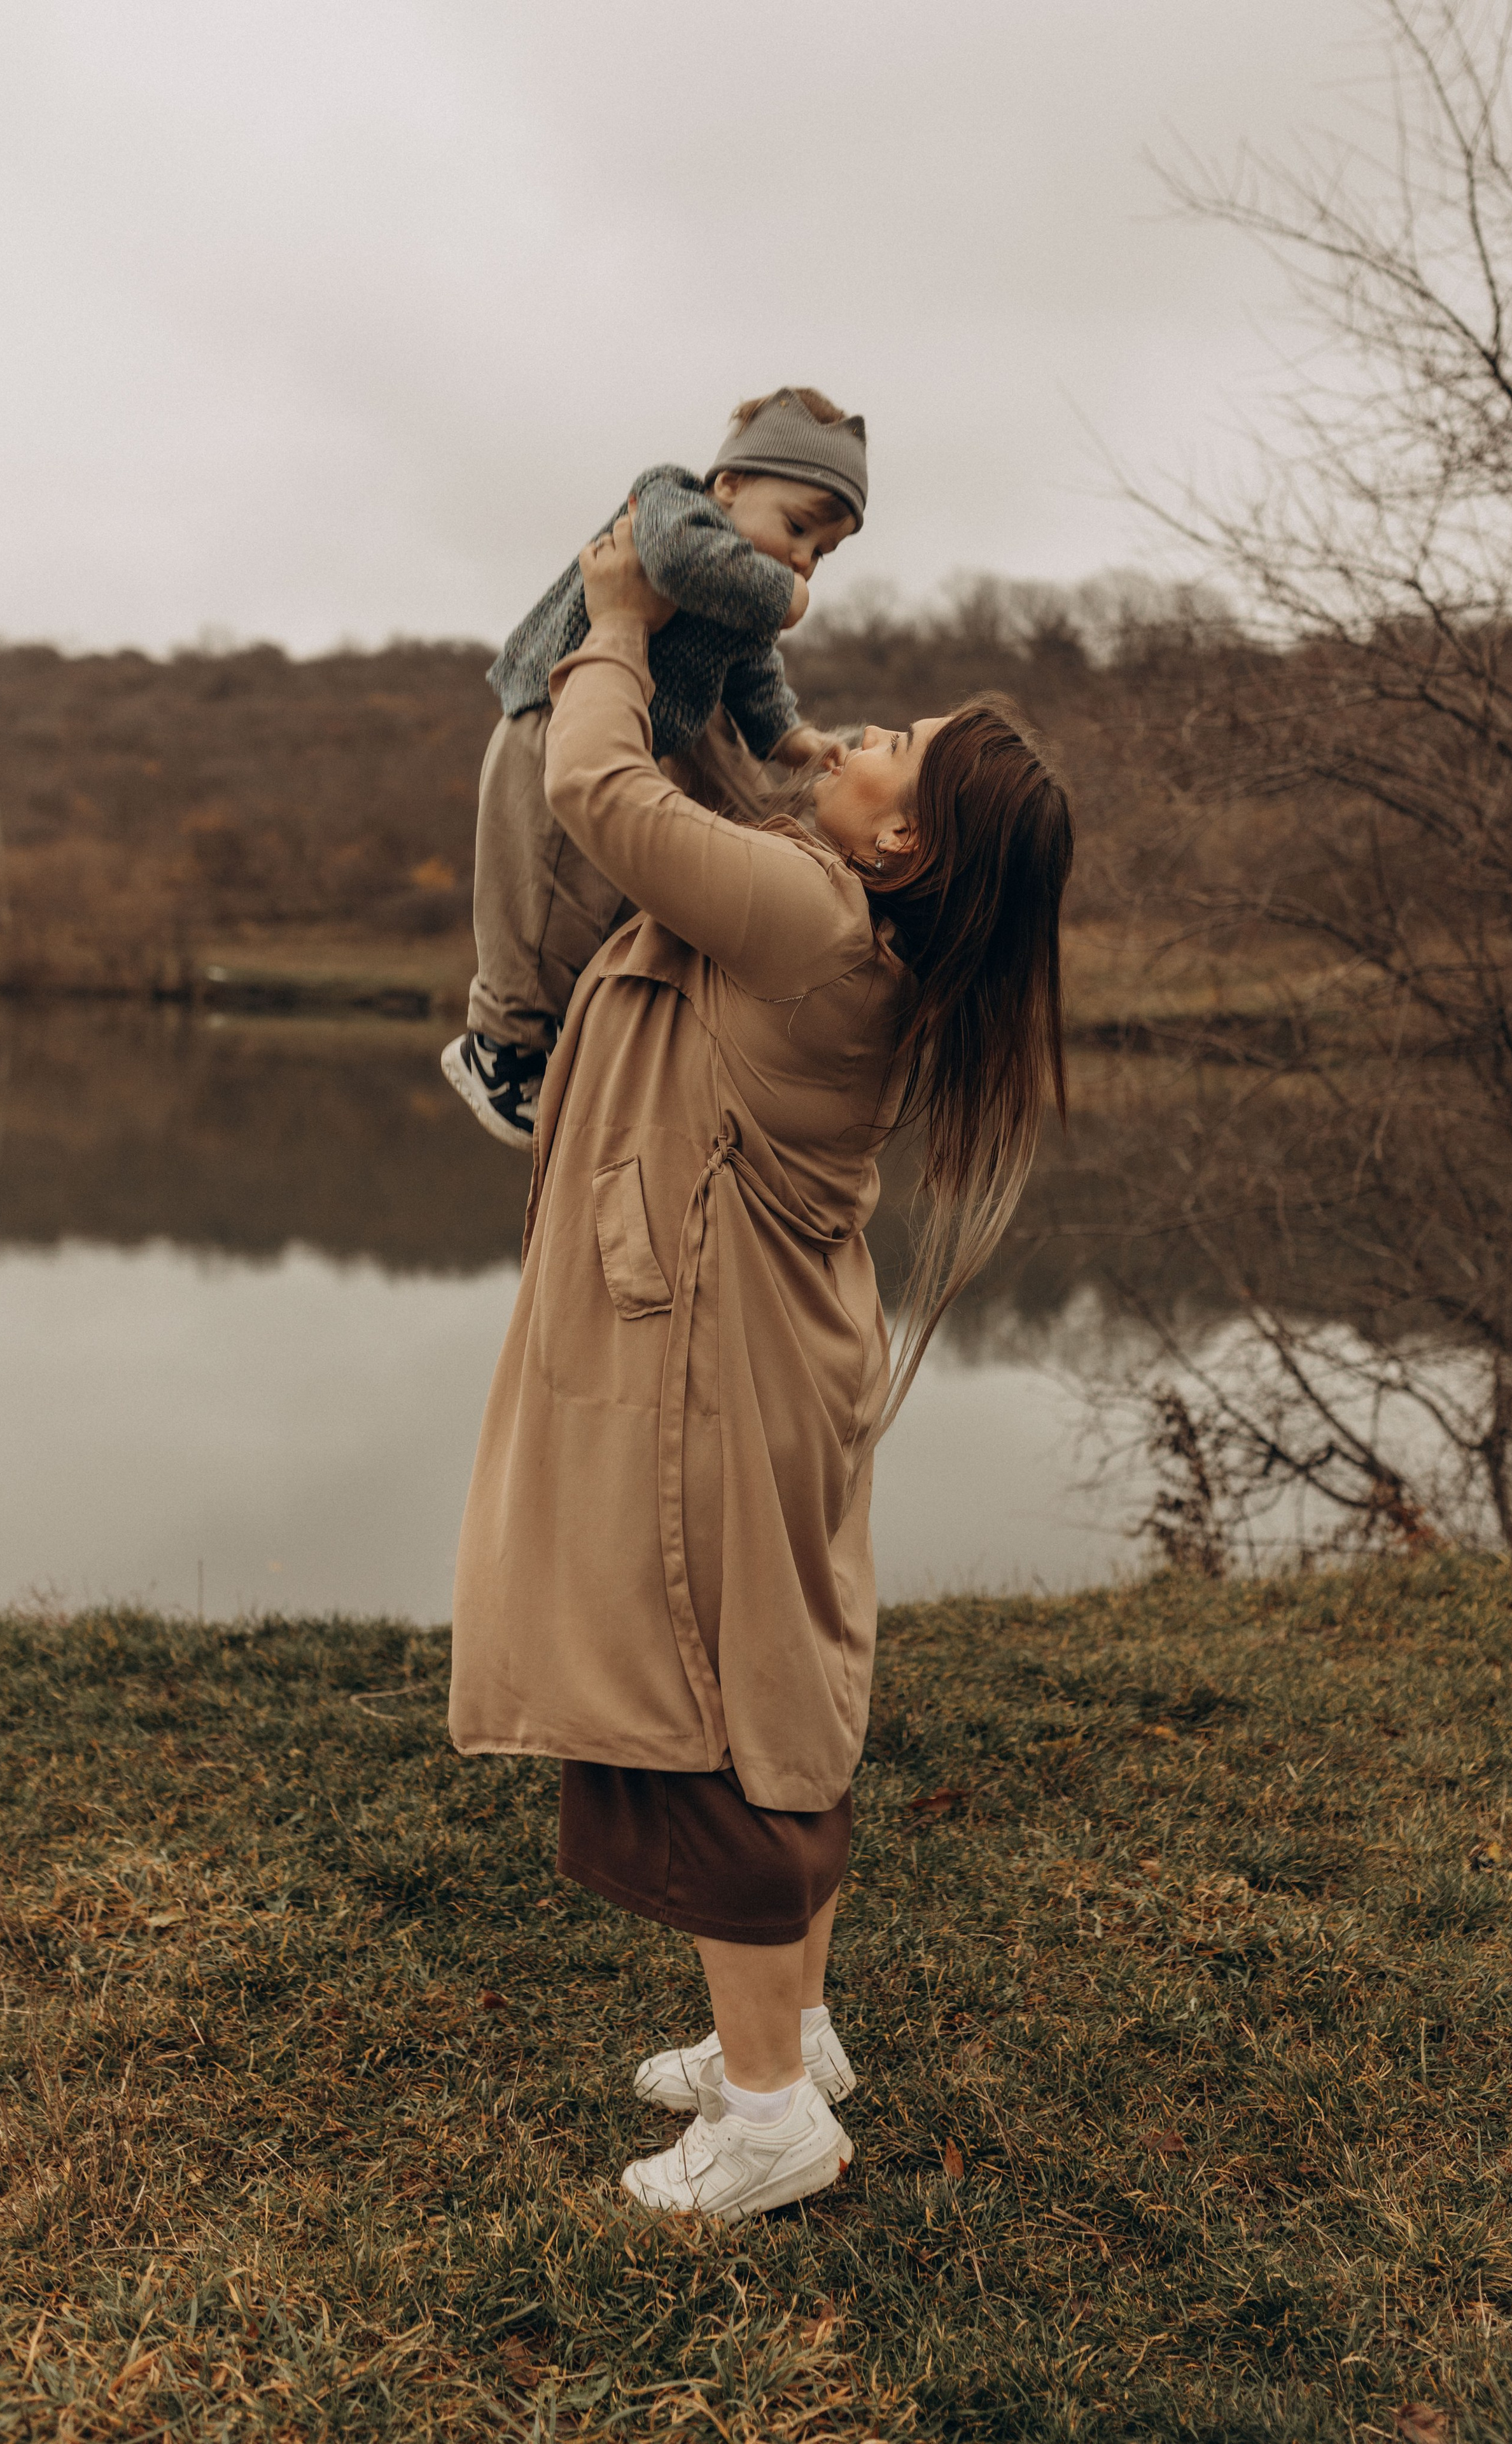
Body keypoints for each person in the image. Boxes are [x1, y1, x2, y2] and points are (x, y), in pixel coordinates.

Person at [447, 512, 1074, 2222]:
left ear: (904, 851)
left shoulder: (805, 917)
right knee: (782, 1690)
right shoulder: (843, 921)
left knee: (716, 1725)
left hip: (721, 1371)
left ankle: (775, 2115)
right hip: (775, 1356)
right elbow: (711, 796)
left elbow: (597, 795)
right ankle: (781, 2032)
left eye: (902, 755)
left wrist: (619, 617)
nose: (868, 736)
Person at [440, 387, 867, 1149]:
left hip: (642, 734)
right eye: (798, 529)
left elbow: (750, 669)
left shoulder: (737, 585)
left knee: (609, 900)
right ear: (730, 484)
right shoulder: (675, 501)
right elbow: (673, 562)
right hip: (559, 712)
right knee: (542, 904)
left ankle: (573, 1032)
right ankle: (498, 1049)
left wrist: (789, 736)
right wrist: (786, 594)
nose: (804, 560)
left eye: (821, 553)